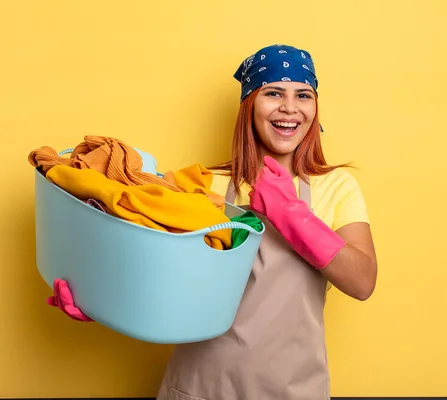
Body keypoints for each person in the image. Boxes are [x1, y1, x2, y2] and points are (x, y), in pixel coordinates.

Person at [156, 44, 378, 400]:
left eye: (303, 95)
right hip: (201, 386)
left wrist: (291, 213)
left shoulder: (336, 186)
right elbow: (162, 279)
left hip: (293, 389)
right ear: (250, 106)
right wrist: (98, 299)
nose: (289, 107)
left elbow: (362, 281)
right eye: (273, 93)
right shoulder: (203, 183)